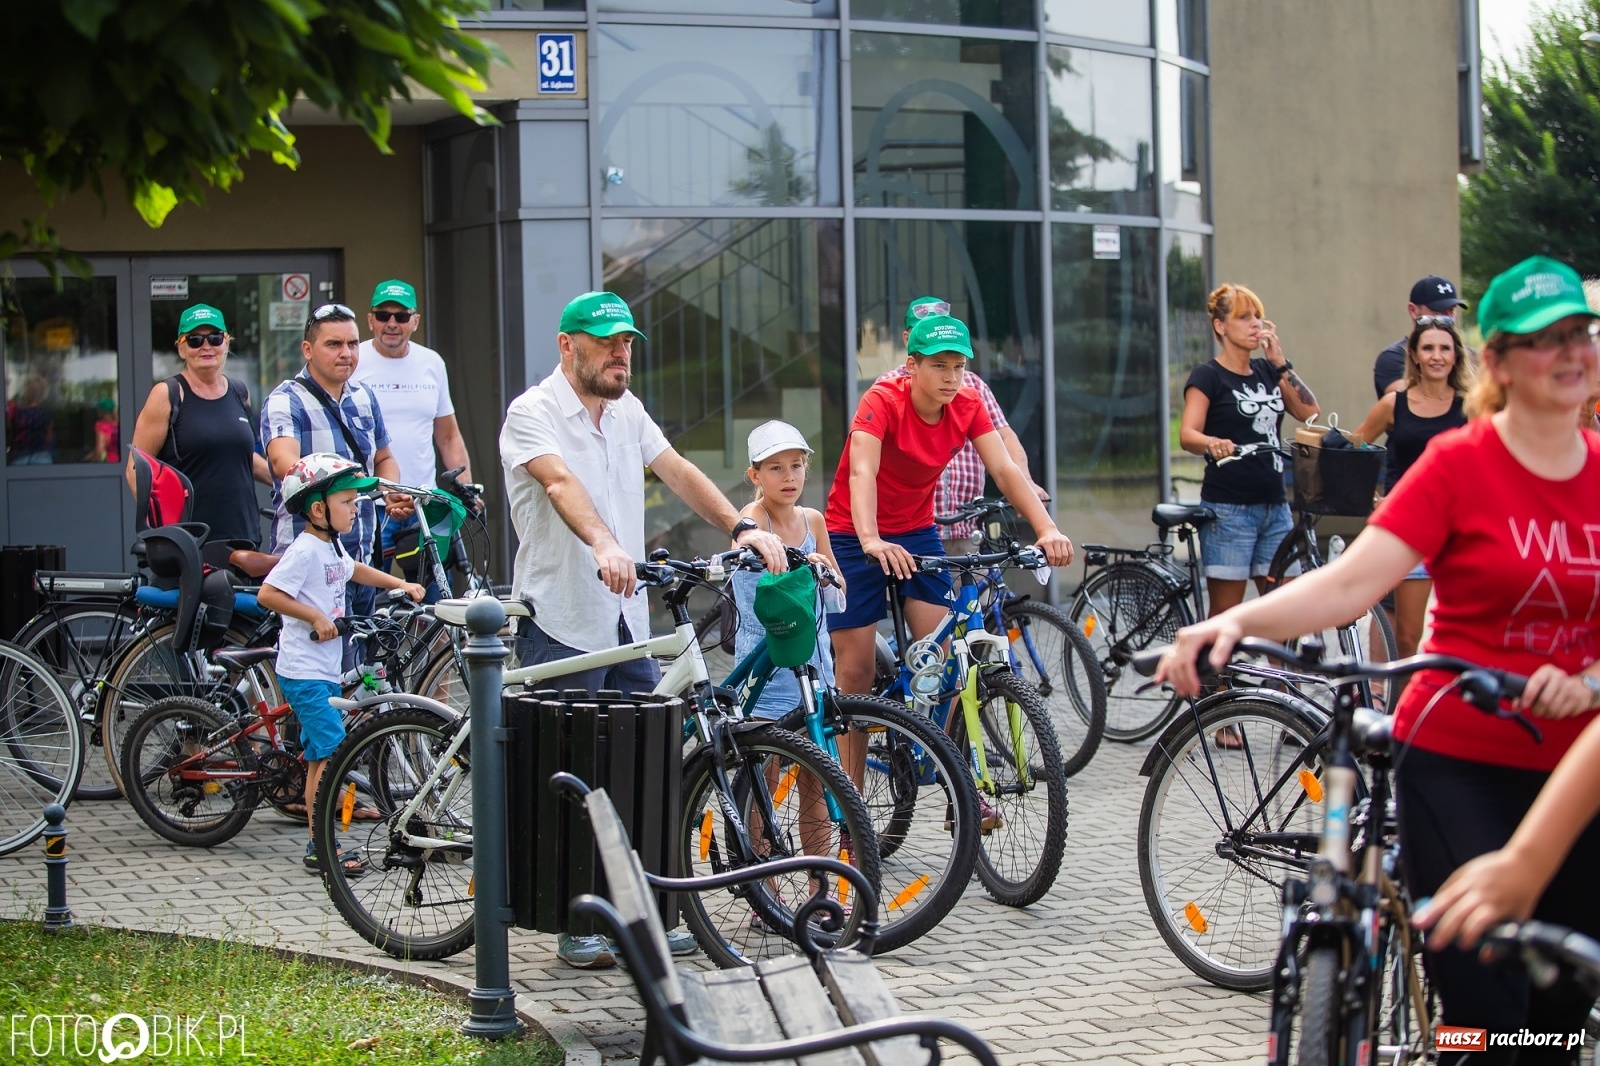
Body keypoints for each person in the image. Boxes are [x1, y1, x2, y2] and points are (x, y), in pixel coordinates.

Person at [1157, 255, 1600, 1066]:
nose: (1570, 352)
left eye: (1580, 333)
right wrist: (1225, 626)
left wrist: (1590, 682)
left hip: (1581, 768)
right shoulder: (1461, 465)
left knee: (1561, 1013)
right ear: (1496, 362)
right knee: (1488, 1011)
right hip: (1460, 752)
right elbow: (1354, 582)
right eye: (1544, 340)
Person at [497, 290, 787, 970]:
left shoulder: (625, 411)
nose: (620, 351)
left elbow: (677, 471)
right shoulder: (532, 412)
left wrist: (742, 526)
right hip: (565, 616)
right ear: (568, 345)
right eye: (605, 341)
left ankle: (642, 908)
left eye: (627, 340)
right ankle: (577, 920)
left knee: (643, 769)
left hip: (628, 620)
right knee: (573, 774)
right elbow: (562, 486)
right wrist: (603, 543)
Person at [826, 313, 1073, 791]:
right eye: (940, 366)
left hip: (917, 532)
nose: (952, 378)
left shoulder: (967, 402)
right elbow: (861, 473)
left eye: (959, 366)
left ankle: (959, 789)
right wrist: (872, 539)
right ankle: (849, 802)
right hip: (853, 534)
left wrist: (1045, 528)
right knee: (854, 672)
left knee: (948, 659)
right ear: (911, 365)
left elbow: (1003, 468)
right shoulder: (882, 400)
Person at [254, 453, 424, 876]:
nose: (354, 509)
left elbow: (356, 571)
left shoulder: (331, 547)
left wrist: (400, 583)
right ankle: (325, 847)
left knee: (318, 759)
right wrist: (313, 616)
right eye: (347, 503)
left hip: (323, 671)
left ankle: (317, 845)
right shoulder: (305, 550)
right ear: (318, 510)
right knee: (333, 754)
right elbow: (268, 594)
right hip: (304, 673)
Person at [261, 304, 413, 652]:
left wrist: (388, 491)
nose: (346, 353)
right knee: (312, 673)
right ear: (308, 349)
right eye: (333, 344)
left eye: (353, 344)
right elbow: (287, 462)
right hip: (310, 562)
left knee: (358, 672)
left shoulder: (363, 397)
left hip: (360, 558)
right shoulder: (286, 400)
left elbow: (384, 458)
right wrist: (344, 483)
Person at [1179, 284, 1320, 622]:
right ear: (1220, 326)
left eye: (1258, 316)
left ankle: (1285, 677)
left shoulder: (1269, 372)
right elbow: (1187, 434)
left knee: (1285, 612)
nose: (1255, 324)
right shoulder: (1208, 376)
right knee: (1226, 614)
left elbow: (1309, 412)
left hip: (1275, 505)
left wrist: (1280, 362)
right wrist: (1212, 442)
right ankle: (1217, 677)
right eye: (1244, 317)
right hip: (1230, 510)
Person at [880, 296, 1048, 549]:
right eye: (924, 331)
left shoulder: (972, 385)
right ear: (907, 339)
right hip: (910, 530)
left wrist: (1027, 482)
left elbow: (1004, 439)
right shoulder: (888, 389)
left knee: (979, 586)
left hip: (968, 525)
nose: (936, 339)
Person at [1351, 318, 1470, 657]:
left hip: (1457, 531)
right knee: (1406, 639)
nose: (1436, 356)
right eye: (1428, 348)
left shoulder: (1469, 407)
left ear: (1455, 356)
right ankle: (1398, 708)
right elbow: (1352, 450)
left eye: (1444, 348)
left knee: (1460, 636)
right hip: (1408, 529)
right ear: (1414, 356)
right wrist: (1373, 499)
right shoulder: (1394, 404)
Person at [351, 279, 473, 599]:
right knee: (365, 599)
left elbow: (448, 436)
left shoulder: (431, 363)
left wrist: (467, 488)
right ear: (370, 320)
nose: (392, 323)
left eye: (401, 316)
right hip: (368, 504)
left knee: (436, 603)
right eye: (383, 315)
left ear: (415, 321)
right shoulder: (352, 360)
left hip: (423, 503)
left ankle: (434, 651)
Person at [127, 304, 271, 546]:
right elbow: (136, 469)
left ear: (226, 342)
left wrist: (292, 481)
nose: (206, 346)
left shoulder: (239, 392)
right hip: (189, 542)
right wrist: (164, 531)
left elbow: (243, 456)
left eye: (215, 338)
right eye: (195, 340)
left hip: (243, 534)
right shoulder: (168, 394)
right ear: (181, 348)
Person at [729, 420, 844, 720]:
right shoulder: (754, 517)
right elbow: (741, 569)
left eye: (796, 466)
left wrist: (826, 573)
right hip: (767, 650)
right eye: (776, 468)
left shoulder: (813, 520)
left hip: (814, 650)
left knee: (817, 749)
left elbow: (840, 588)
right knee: (769, 747)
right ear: (755, 476)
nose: (789, 477)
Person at [1373, 274, 1468, 398]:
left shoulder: (1469, 355)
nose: (1447, 318)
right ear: (1413, 311)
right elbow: (1404, 400)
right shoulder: (1393, 357)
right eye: (1437, 311)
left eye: (1451, 311)